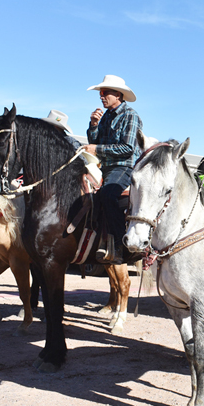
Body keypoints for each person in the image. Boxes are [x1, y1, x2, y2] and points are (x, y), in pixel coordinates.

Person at [84, 75, 143, 264]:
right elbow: (95, 141)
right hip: (105, 167)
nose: (101, 96)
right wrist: (93, 126)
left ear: (118, 94)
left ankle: (120, 244)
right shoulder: (106, 116)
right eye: (100, 93)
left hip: (124, 167)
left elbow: (128, 149)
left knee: (108, 195)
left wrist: (97, 149)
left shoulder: (131, 116)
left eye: (105, 92)